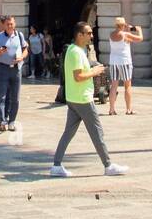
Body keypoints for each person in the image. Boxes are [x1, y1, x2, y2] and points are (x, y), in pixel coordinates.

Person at [49, 21, 128, 177]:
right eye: (89, 33)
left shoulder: (74, 49)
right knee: (97, 132)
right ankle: (108, 165)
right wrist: (94, 71)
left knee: (68, 133)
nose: (92, 35)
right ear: (80, 35)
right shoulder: (76, 52)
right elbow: (78, 76)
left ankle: (56, 165)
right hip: (83, 99)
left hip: (74, 98)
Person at [0, 15, 27, 132]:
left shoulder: (19, 35)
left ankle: (12, 121)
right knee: (1, 96)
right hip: (3, 68)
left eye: (12, 24)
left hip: (16, 69)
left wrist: (22, 57)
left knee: (15, 98)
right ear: (4, 25)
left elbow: (26, 49)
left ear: (15, 24)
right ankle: (2, 122)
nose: (10, 26)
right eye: (7, 24)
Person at [107, 17, 144, 115]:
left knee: (114, 85)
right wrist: (139, 30)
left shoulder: (111, 35)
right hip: (124, 61)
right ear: (123, 25)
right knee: (127, 85)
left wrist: (126, 29)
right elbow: (140, 38)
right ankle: (128, 109)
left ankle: (111, 109)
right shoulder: (126, 34)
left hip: (113, 61)